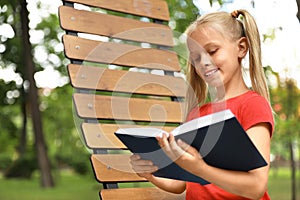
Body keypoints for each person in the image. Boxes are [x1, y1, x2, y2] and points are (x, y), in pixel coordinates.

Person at [130, 9, 274, 200]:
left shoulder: (252, 105)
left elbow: (256, 186)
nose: (203, 62)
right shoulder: (197, 115)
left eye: (212, 51)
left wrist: (201, 168)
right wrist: (150, 174)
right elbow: (181, 183)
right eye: (196, 57)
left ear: (241, 48)